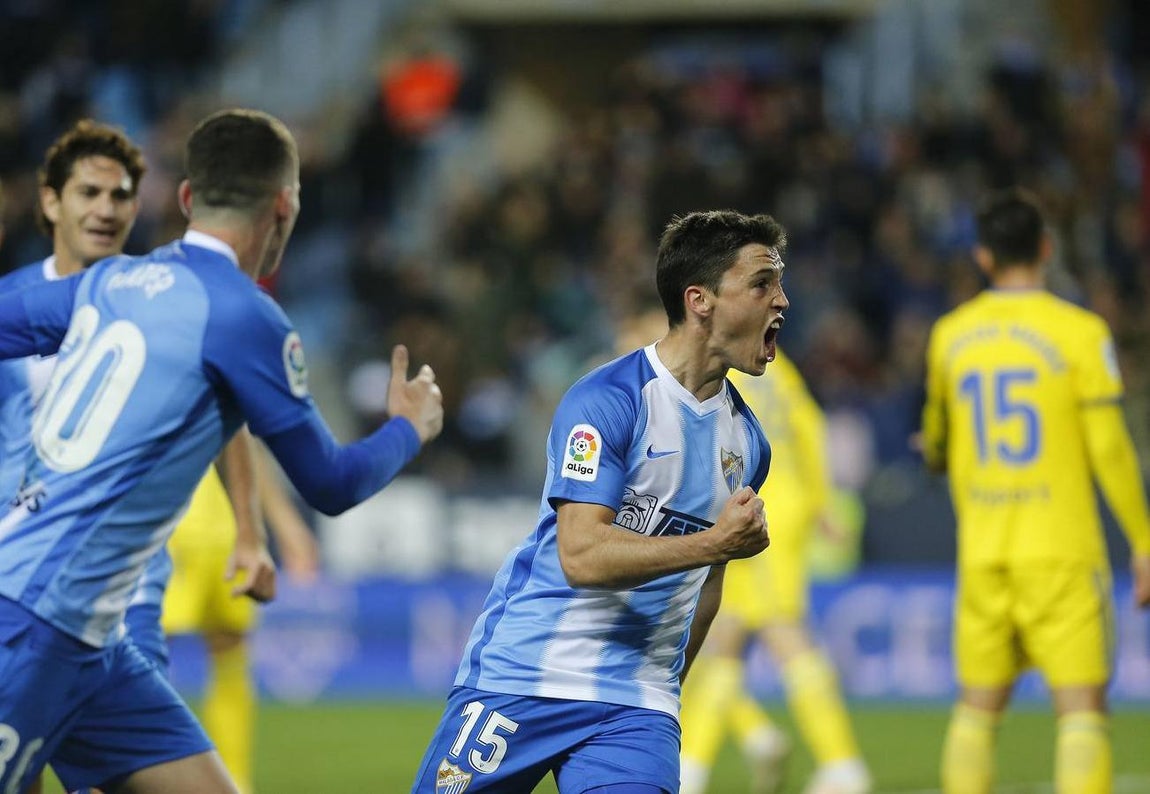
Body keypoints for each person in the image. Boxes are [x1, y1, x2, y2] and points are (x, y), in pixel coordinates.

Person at [0, 108, 443, 794]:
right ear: (285, 206)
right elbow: (330, 482)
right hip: (29, 625)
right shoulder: (246, 317)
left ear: (183, 199)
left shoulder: (108, 283)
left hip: (96, 646)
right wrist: (407, 429)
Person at [412, 209, 787, 794]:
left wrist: (664, 690)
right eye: (762, 284)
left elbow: (706, 584)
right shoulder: (608, 401)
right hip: (527, 676)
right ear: (700, 300)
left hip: (635, 707)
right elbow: (581, 555)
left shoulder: (748, 443)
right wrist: (714, 542)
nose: (781, 301)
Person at [0, 119, 276, 794]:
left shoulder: (165, 299)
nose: (106, 209)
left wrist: (250, 527)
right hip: (22, 579)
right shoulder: (14, 304)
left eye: (121, 195)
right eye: (89, 192)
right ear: (49, 201)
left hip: (129, 582)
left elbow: (228, 414)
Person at [919, 189, 1150, 794]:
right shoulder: (1080, 332)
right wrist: (1145, 541)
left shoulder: (950, 335)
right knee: (1081, 715)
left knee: (976, 711)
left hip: (985, 553)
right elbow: (1109, 449)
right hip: (1062, 552)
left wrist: (938, 454)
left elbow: (936, 443)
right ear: (1046, 248)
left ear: (983, 257)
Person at [679, 348, 871, 794]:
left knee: (781, 628)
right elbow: (811, 426)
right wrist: (820, 500)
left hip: (758, 507)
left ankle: (843, 765)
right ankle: (691, 768)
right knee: (724, 637)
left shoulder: (717, 364)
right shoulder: (778, 367)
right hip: (771, 505)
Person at [161, 440, 319, 794]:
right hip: (171, 520)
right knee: (144, 651)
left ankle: (232, 782)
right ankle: (129, 776)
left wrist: (285, 523)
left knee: (228, 646)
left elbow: (240, 439)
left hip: (221, 519)